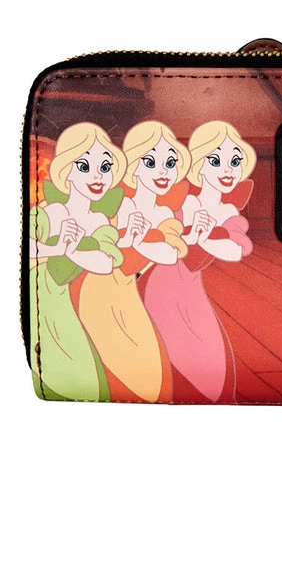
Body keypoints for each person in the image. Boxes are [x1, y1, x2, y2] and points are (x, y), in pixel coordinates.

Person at [140, 121, 256, 402]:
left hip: (190, 287)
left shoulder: (227, 211)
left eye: (235, 161)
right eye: (215, 161)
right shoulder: (182, 202)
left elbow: (235, 250)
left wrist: (203, 237)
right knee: (171, 344)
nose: (227, 170)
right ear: (199, 166)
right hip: (160, 283)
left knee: (208, 345)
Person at [78, 121, 190, 403]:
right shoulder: (119, 204)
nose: (162, 171)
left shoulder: (164, 215)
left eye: (170, 163)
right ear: (133, 166)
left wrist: (139, 240)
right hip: (99, 288)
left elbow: (170, 253)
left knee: (149, 363)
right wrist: (134, 239)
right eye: (150, 162)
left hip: (129, 290)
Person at [29, 122, 125, 400]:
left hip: (67, 304)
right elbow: (29, 247)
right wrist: (58, 246)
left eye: (105, 167)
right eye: (84, 167)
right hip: (38, 300)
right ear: (65, 171)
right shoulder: (50, 211)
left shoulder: (99, 220)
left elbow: (105, 262)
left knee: (84, 370)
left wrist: (71, 250)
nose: (97, 176)